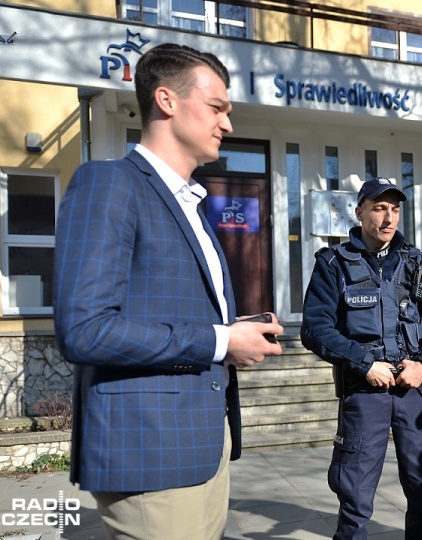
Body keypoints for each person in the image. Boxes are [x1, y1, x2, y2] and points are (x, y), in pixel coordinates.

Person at [54, 43, 284, 539]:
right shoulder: (110, 183)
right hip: (148, 453)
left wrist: (232, 330)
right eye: (217, 107)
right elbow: (85, 329)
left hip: (204, 444)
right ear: (166, 100)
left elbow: (166, 307)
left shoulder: (193, 206)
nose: (227, 124)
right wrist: (221, 342)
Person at [301, 177, 422, 540]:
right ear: (359, 212)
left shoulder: (417, 264)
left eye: (395, 209)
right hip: (363, 392)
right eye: (379, 208)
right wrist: (364, 362)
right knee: (355, 498)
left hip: (410, 391)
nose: (389, 218)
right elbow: (314, 327)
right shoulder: (333, 264)